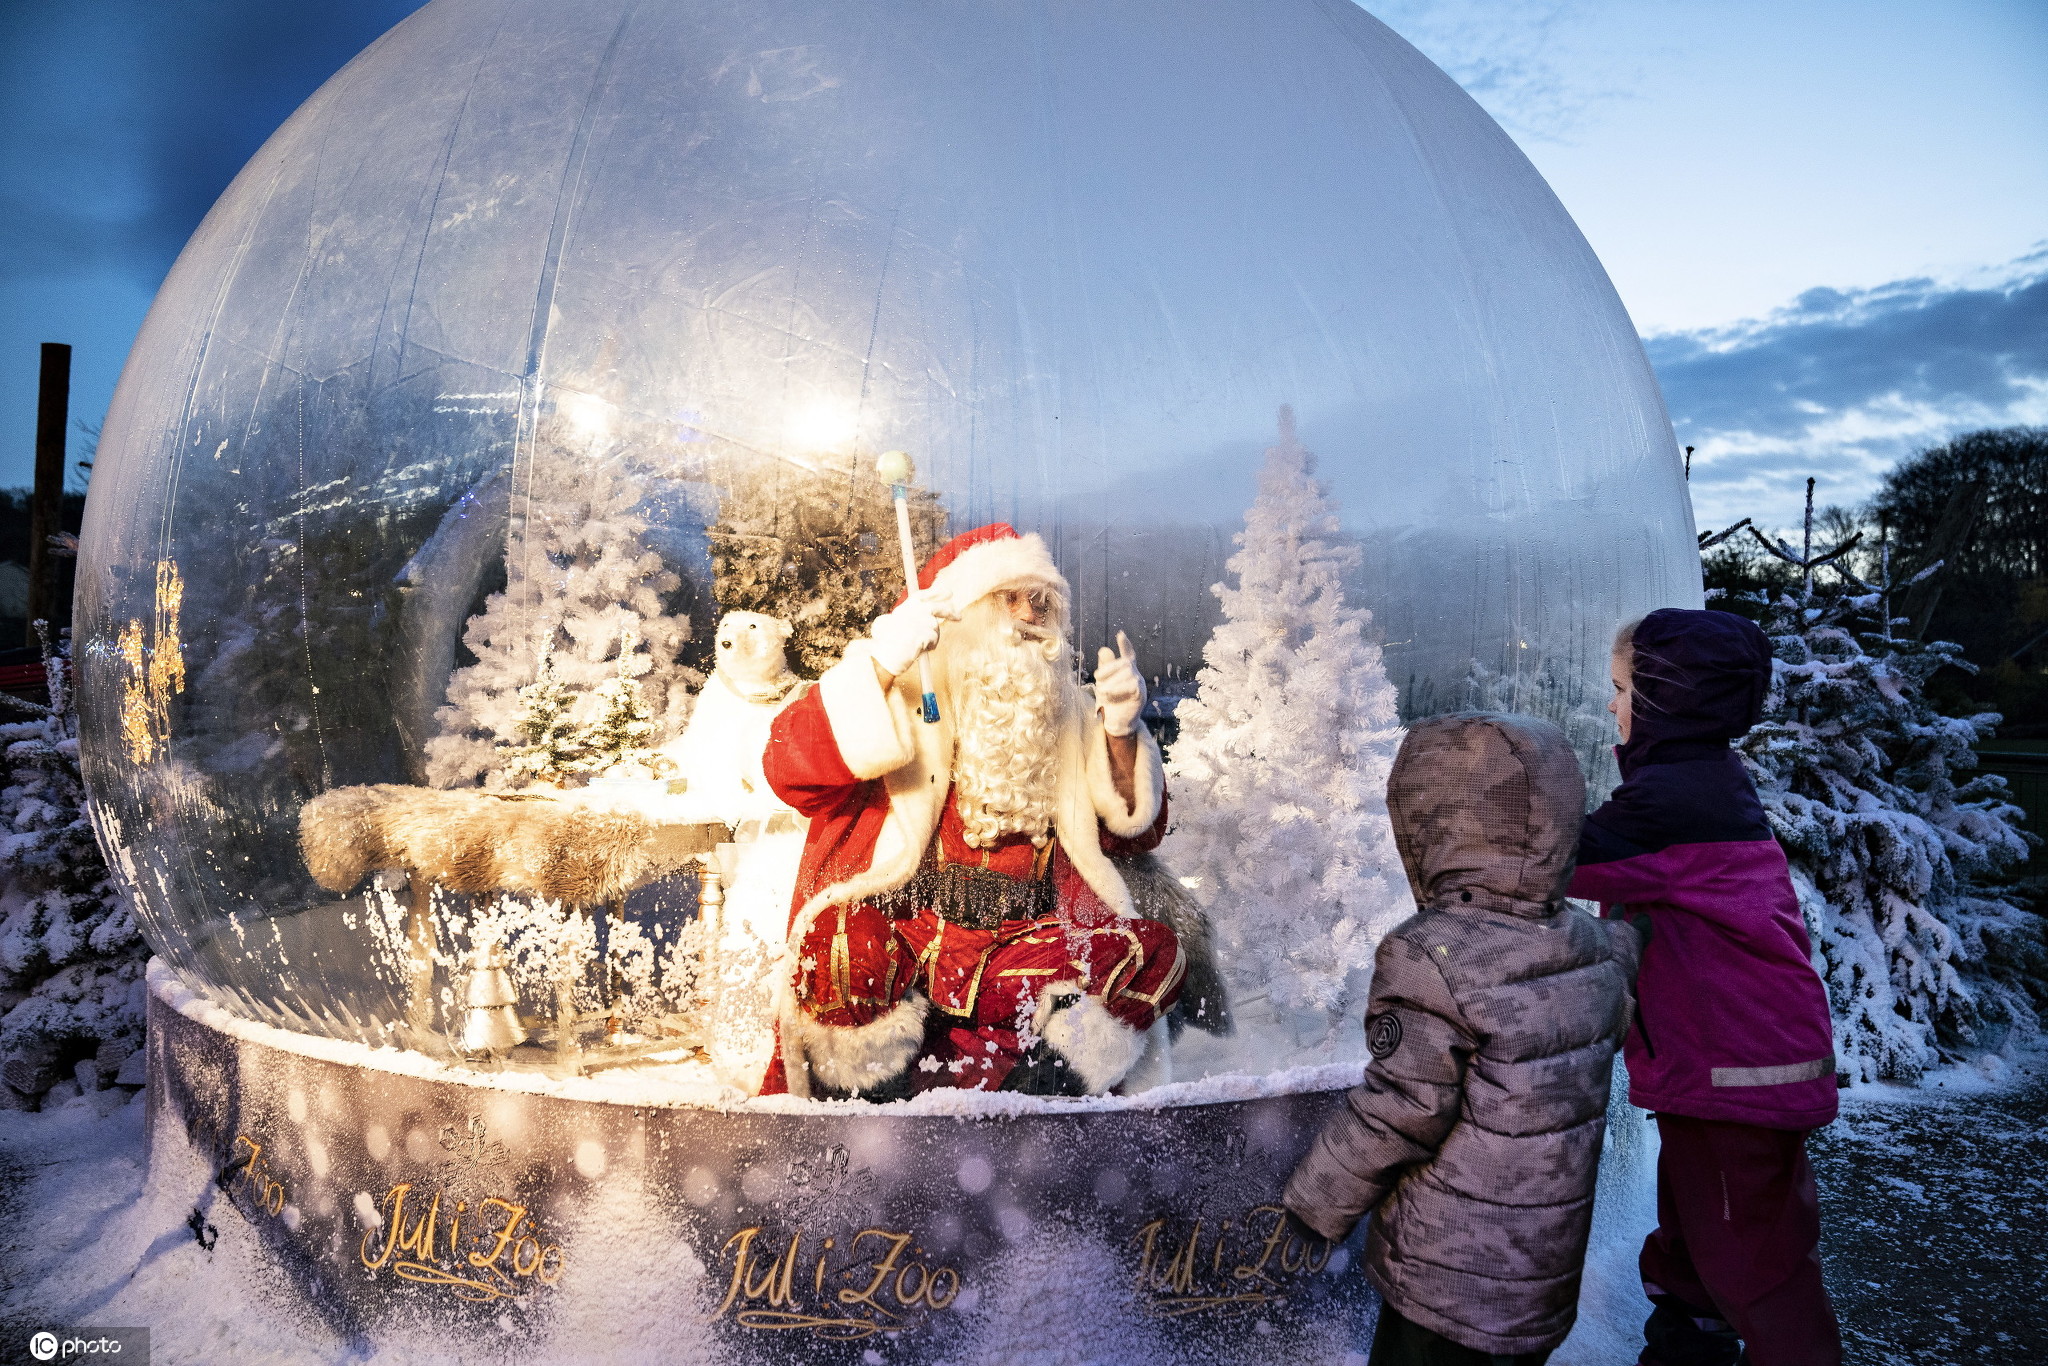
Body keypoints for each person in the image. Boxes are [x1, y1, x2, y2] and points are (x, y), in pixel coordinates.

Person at [758, 523, 1184, 1099]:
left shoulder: (1069, 714)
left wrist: (1120, 730)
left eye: (1044, 601)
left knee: (1149, 953)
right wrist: (878, 667)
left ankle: (1048, 1095)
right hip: (909, 936)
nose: (1032, 614)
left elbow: (1134, 830)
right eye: (1013, 597)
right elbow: (788, 769)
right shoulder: (901, 700)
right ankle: (864, 1108)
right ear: (969, 614)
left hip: (1021, 949)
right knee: (839, 946)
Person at [1284, 712, 1640, 1366]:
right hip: (1539, 1283)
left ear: (1435, 830)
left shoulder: (1434, 957)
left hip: (1445, 1280)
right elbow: (1615, 991)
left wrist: (1317, 1200)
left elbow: (1403, 1105)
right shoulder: (1589, 948)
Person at [1570, 608, 1842, 1366]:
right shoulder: (1696, 785)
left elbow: (1558, 858)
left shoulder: (1674, 803)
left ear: (1664, 701)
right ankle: (1687, 1347)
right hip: (1726, 1067)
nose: (1610, 706)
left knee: (1756, 1264)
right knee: (1696, 1236)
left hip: (1739, 1070)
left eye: (1621, 688)